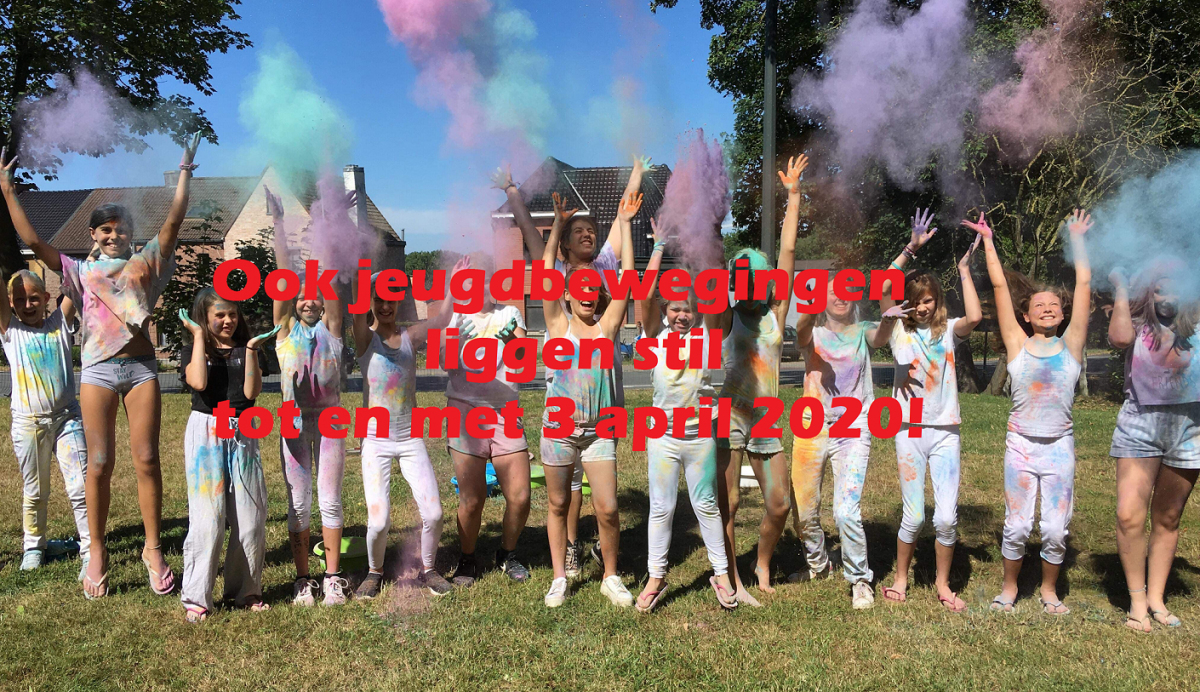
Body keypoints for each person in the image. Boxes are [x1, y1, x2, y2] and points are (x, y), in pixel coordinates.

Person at [1, 136, 200, 599]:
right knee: (99, 463)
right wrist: (7, 190)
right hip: (97, 373)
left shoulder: (146, 263)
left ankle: (153, 548)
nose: (113, 235)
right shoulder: (78, 272)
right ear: (93, 235)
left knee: (147, 459)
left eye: (121, 229)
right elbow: (32, 241)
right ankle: (96, 550)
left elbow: (174, 221)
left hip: (141, 370)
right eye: (105, 230)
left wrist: (184, 174)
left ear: (131, 233)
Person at [495, 157, 650, 575]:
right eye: (578, 230)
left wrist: (636, 171)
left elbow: (623, 216)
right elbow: (531, 233)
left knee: (598, 462)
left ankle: (597, 544)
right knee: (569, 479)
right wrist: (512, 191)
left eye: (591, 231)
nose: (588, 234)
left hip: (603, 382)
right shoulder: (558, 276)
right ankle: (571, 545)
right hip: (566, 384)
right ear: (563, 243)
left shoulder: (605, 265)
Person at [972, 210, 1092, 615]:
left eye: (1054, 305)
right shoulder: (1017, 344)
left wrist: (1077, 238)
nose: (1047, 308)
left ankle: (1048, 591)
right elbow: (999, 286)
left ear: (1063, 314)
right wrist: (989, 242)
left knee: (1055, 529)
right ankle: (1009, 588)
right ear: (1026, 316)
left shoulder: (1071, 345)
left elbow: (1084, 283)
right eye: (1039, 305)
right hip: (1021, 445)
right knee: (1018, 525)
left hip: (1059, 447)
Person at [540, 190, 639, 608]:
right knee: (558, 503)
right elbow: (545, 269)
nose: (586, 293)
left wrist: (626, 225)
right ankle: (559, 578)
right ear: (566, 294)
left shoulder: (606, 328)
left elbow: (628, 278)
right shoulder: (556, 324)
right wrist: (556, 226)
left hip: (599, 432)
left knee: (608, 508)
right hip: (558, 431)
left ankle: (610, 576)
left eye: (592, 289)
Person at [715, 155, 808, 606]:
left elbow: (788, 254)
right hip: (729, 416)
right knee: (729, 502)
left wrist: (793, 196)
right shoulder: (727, 315)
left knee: (779, 504)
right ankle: (731, 576)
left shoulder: (776, 314)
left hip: (765, 417)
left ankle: (762, 563)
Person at [880, 208, 983, 612]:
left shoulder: (948, 331)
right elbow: (884, 285)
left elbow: (975, 316)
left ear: (937, 301)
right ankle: (901, 579)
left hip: (944, 432)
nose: (921, 307)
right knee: (914, 517)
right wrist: (910, 248)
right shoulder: (897, 331)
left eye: (927, 301)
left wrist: (964, 270)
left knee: (945, 519)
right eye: (914, 301)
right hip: (908, 430)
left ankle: (942, 584)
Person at [790, 262, 909, 609]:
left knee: (845, 511)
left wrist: (888, 318)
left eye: (846, 291)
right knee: (804, 510)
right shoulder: (813, 333)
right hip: (812, 425)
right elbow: (801, 331)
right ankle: (819, 565)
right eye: (833, 291)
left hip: (853, 428)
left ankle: (859, 579)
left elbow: (880, 337)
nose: (840, 296)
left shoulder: (862, 330)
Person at [634, 219, 737, 612]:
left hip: (700, 437)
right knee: (661, 508)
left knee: (706, 505)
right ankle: (656, 577)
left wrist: (712, 247)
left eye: (689, 309)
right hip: (663, 437)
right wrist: (658, 246)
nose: (682, 315)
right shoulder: (654, 338)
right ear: (665, 310)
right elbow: (644, 294)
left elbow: (719, 301)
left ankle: (721, 574)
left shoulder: (707, 337)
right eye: (676, 308)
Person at [353, 257, 469, 599]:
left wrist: (453, 282)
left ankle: (429, 569)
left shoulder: (410, 337)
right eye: (379, 299)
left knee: (434, 513)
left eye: (391, 300)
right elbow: (357, 310)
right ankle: (374, 572)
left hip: (410, 437)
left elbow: (443, 318)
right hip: (375, 441)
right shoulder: (365, 339)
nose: (386, 306)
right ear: (371, 301)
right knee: (378, 522)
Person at [265, 186, 350, 607]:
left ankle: (332, 578)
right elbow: (284, 280)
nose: (309, 300)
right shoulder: (284, 332)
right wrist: (279, 224)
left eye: (314, 295)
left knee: (330, 499)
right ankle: (303, 580)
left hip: (330, 421)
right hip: (293, 424)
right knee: (298, 503)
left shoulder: (332, 330)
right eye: (301, 296)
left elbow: (329, 278)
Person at [1108, 257, 1200, 632]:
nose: (1167, 296)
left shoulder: (1196, 327)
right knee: (1129, 515)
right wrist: (1121, 287)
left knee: (1168, 518)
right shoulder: (1137, 324)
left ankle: (1157, 600)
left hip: (1190, 428)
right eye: (1159, 289)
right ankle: (1137, 602)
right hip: (1139, 425)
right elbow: (1118, 339)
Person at [178, 288, 278, 622]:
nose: (227, 320)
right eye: (219, 315)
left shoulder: (247, 347)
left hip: (243, 429)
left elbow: (251, 393)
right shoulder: (194, 350)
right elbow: (198, 383)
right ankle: (197, 597)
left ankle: (245, 591)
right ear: (204, 317)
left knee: (251, 517)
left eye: (232, 314)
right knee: (208, 519)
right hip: (206, 431)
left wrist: (251, 350)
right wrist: (198, 337)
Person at [443, 260, 532, 587]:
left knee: (520, 496)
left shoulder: (510, 313)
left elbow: (525, 366)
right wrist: (455, 341)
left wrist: (514, 345)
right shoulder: (456, 316)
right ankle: (467, 559)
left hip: (505, 412)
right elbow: (446, 364)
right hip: (465, 412)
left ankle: (506, 553)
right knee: (472, 499)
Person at [1, 271, 89, 576]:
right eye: (20, 299)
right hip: (29, 424)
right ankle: (34, 547)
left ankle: (90, 549)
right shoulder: (10, 330)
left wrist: (99, 249)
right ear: (10, 303)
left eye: (34, 298)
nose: (28, 305)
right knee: (35, 490)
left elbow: (79, 278)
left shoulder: (58, 324)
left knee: (81, 486)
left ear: (47, 298)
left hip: (67, 419)